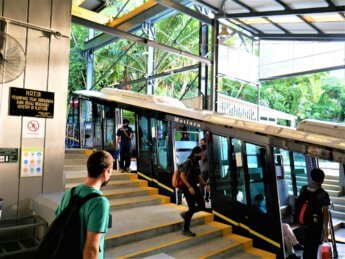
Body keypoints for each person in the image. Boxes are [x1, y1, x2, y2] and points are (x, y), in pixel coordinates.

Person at [55, 150, 112, 259]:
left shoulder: (70, 193)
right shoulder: (100, 203)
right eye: (110, 171)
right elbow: (91, 249)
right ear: (106, 172)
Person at [297, 168, 330, 259]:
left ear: (311, 178)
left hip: (304, 222)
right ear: (322, 180)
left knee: (307, 245)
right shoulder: (323, 194)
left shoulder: (303, 189)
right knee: (314, 247)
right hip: (316, 225)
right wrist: (326, 230)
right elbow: (325, 213)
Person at [179, 146, 208, 237]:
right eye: (201, 153)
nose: (202, 155)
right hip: (187, 187)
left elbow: (198, 175)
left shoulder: (196, 162)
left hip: (194, 186)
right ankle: (185, 229)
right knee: (192, 207)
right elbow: (182, 176)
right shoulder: (189, 161)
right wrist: (189, 187)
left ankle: (186, 214)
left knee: (202, 205)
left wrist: (205, 184)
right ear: (196, 153)